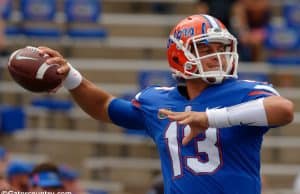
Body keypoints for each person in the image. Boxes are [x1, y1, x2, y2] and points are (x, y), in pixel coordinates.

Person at [37, 14, 294, 194]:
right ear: (179, 54)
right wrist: (71, 76)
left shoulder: (244, 91)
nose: (218, 55)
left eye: (221, 47)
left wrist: (210, 118)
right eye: (206, 49)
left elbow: (283, 110)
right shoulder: (157, 100)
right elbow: (105, 107)